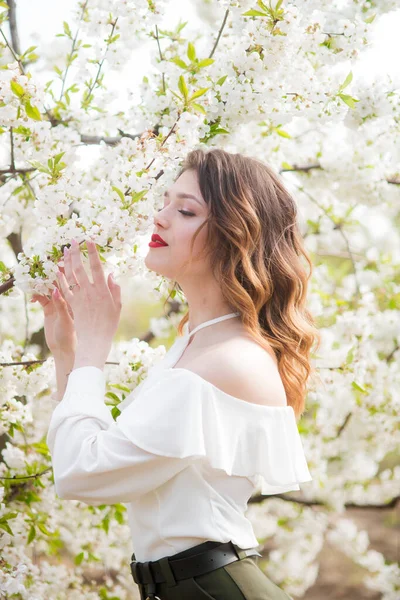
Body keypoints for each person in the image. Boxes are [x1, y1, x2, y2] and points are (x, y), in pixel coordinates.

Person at [33, 148, 321, 600]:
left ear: (235, 235)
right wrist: (68, 354)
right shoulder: (196, 344)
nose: (160, 217)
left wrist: (93, 347)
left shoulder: (227, 361)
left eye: (185, 210)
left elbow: (79, 474)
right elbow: (90, 455)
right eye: (165, 202)